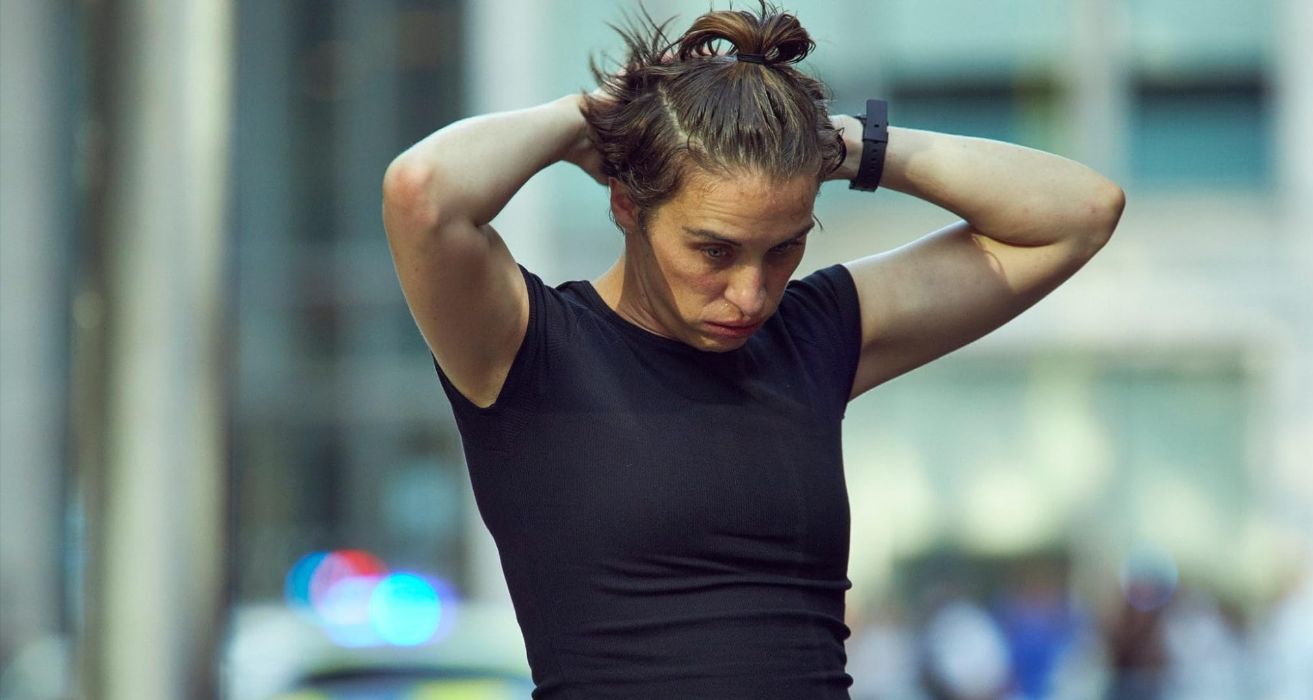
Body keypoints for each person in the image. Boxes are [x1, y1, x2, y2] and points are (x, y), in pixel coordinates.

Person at [382, 2, 1125, 698]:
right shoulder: (528, 349)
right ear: (626, 206)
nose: (751, 292)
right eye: (715, 250)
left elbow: (1080, 212)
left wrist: (849, 147)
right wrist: (592, 115)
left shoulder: (814, 333)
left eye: (784, 250)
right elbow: (423, 193)